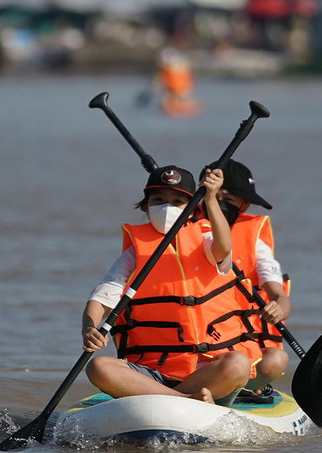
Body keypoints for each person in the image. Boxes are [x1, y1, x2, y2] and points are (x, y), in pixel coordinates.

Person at [81, 164, 263, 404]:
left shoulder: (206, 240)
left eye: (177, 201)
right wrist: (89, 328)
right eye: (159, 200)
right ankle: (185, 399)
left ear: (191, 209)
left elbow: (224, 248)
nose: (167, 207)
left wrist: (210, 197)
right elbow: (101, 299)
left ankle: (171, 399)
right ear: (146, 207)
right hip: (151, 372)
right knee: (98, 367)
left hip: (204, 369)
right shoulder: (135, 254)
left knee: (238, 363)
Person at [210, 158, 292, 394]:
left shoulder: (253, 238)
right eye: (219, 198)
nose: (223, 205)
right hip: (199, 339)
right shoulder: (184, 229)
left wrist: (279, 307)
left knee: (276, 359)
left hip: (238, 338)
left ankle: (242, 388)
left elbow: (278, 295)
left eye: (231, 201)